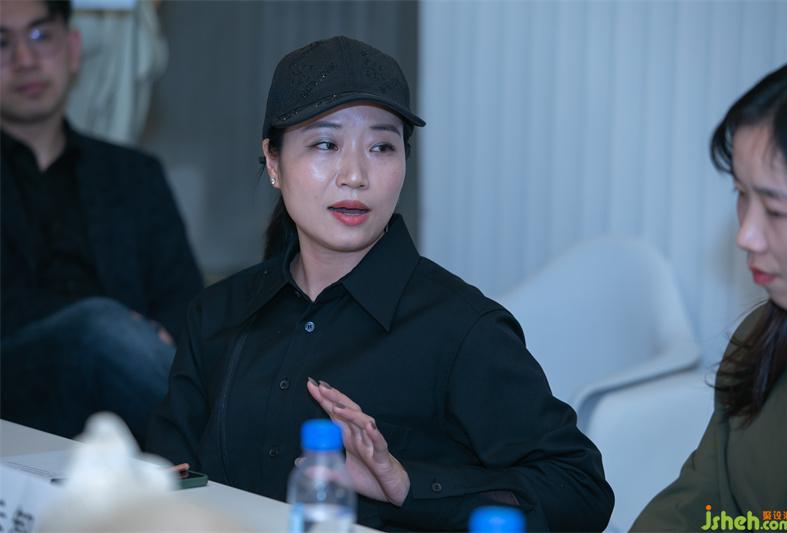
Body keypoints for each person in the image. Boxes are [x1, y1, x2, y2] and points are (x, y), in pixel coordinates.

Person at [147, 36, 613, 531]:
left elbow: (579, 489)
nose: (355, 175)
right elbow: (169, 475)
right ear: (274, 162)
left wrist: (407, 483)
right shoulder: (217, 314)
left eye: (381, 147)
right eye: (325, 144)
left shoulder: (460, 330)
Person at [0, 0, 203, 444]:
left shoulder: (134, 174)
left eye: (40, 36)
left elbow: (185, 301)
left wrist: (152, 334)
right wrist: (117, 330)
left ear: (73, 49)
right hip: (16, 380)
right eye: (2, 43)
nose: (25, 60)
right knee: (98, 329)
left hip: (128, 386)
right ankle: (233, 455)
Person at [632, 58, 787, 531]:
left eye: (776, 210)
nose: (746, 234)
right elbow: (706, 507)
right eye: (742, 194)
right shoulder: (764, 338)